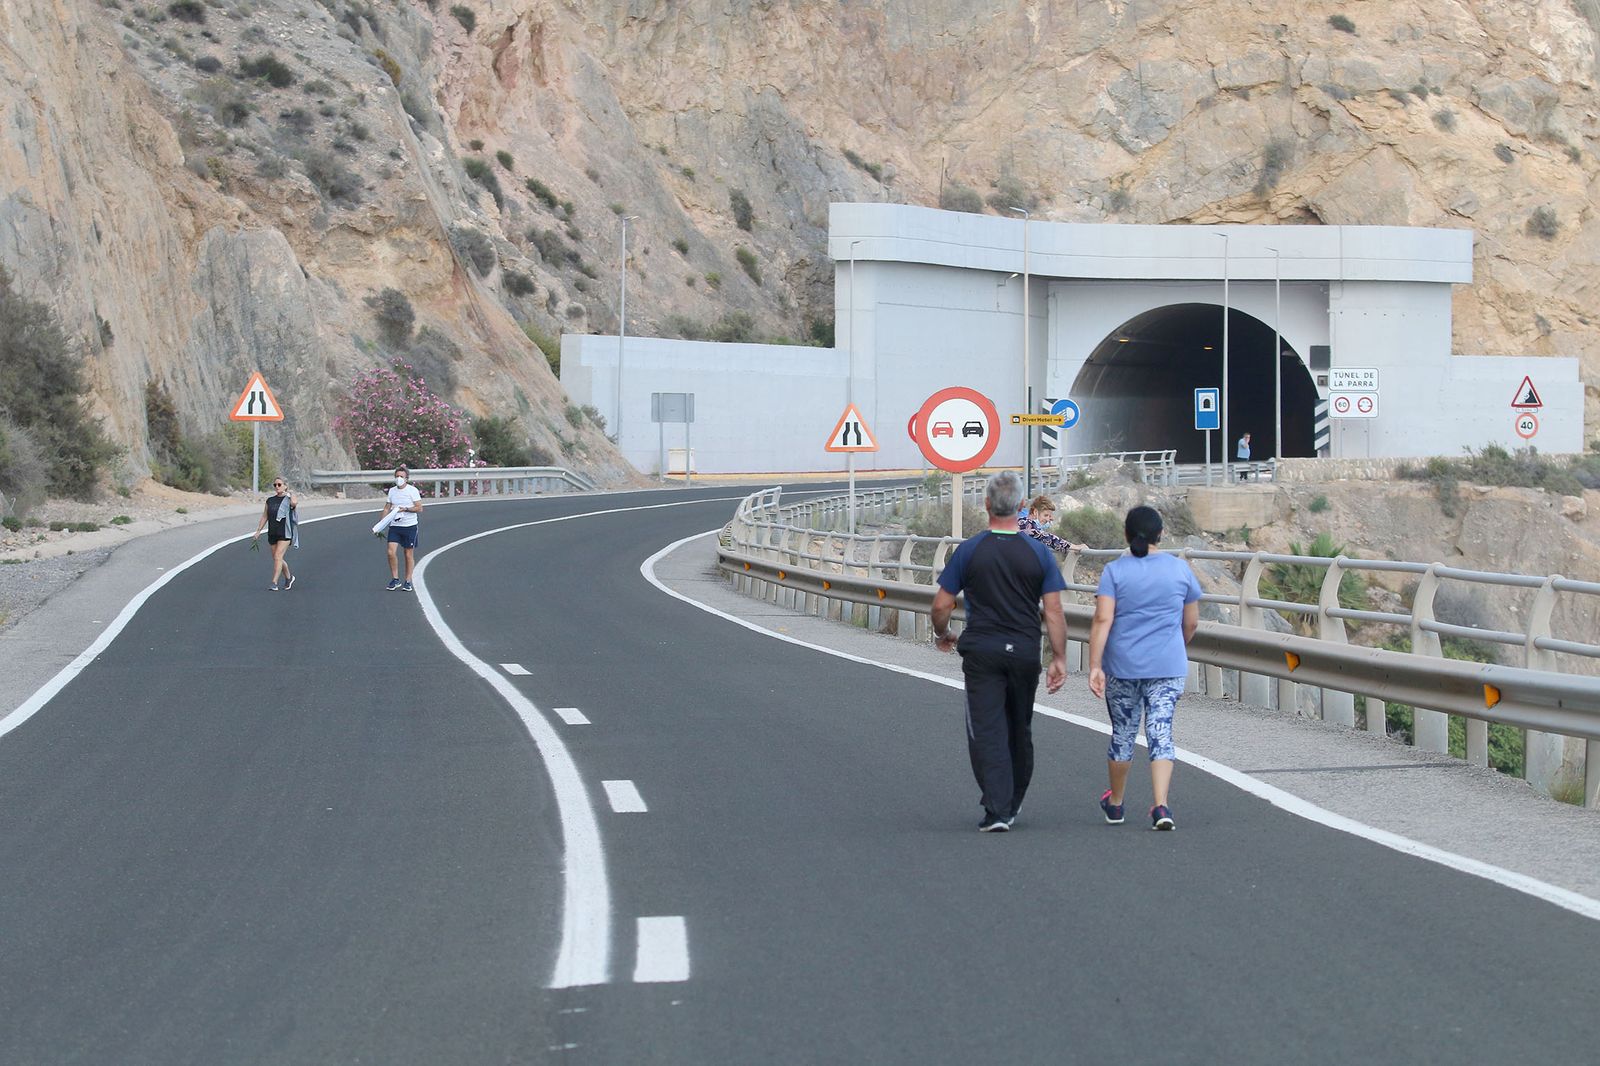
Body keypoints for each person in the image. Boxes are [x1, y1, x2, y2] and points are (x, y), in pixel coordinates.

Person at [931, 471, 1068, 832]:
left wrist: (943, 633)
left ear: (987, 505)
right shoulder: (1038, 552)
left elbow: (942, 604)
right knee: (1019, 728)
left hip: (982, 653)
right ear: (1023, 507)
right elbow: (1053, 611)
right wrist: (1059, 658)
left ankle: (997, 807)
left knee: (986, 728)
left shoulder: (970, 549)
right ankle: (1013, 801)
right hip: (1024, 652)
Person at [1086, 506, 1201, 831]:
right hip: (1167, 666)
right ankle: (1161, 806)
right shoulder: (1180, 570)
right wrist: (1174, 646)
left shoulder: (1115, 572)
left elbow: (1102, 619)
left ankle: (1117, 804)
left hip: (1123, 667)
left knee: (1123, 733)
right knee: (1160, 730)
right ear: (1160, 535)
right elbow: (1190, 622)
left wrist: (1095, 665)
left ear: (1126, 534)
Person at [381, 465, 424, 591]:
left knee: (408, 554)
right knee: (390, 552)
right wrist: (381, 524)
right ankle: (395, 579)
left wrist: (406, 509)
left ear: (406, 478)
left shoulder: (412, 491)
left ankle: (408, 581)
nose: (399, 479)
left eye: (401, 476)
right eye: (397, 476)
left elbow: (419, 508)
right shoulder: (392, 491)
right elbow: (386, 508)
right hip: (395, 526)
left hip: (409, 526)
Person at [252, 477, 298, 591]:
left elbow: (294, 503)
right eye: (275, 485)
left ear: (285, 486)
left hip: (285, 533)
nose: (277, 487)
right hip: (272, 532)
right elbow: (265, 516)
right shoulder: (270, 501)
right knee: (277, 558)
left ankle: (274, 582)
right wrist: (258, 531)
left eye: (279, 484)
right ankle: (289, 577)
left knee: (278, 556)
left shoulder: (288, 500)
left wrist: (290, 493)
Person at [1018, 494, 1083, 555]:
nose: (1047, 520)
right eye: (1045, 515)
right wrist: (1075, 547)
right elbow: (1048, 538)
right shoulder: (1025, 523)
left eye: (1049, 516)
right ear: (1035, 512)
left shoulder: (1029, 527)